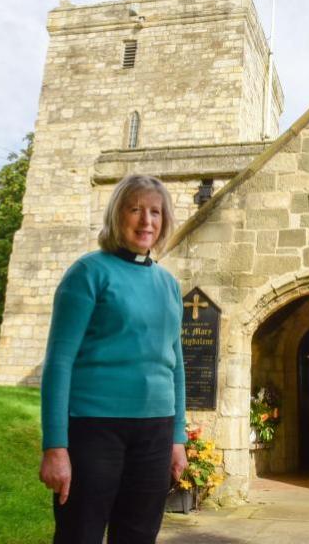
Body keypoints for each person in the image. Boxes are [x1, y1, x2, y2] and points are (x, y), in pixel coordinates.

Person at [39, 174, 187, 544]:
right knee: (80, 535)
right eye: (135, 209)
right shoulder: (88, 273)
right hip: (94, 430)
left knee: (139, 536)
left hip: (155, 432)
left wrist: (177, 437)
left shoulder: (169, 284)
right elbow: (58, 363)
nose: (146, 221)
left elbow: (175, 364)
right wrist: (55, 446)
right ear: (117, 215)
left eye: (155, 212)